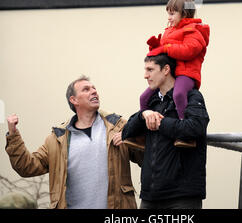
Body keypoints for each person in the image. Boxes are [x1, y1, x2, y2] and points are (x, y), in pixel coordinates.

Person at [5, 75, 143, 209]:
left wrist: (138, 129)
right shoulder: (57, 140)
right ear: (74, 100)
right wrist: (13, 135)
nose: (94, 91)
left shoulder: (118, 126)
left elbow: (146, 157)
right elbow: (27, 167)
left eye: (94, 88)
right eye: (86, 89)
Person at [122, 53, 209, 209]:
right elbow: (126, 133)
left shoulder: (192, 96)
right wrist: (143, 115)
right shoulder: (151, 102)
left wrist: (160, 122)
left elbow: (195, 127)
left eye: (150, 69)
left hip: (182, 196)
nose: (145, 75)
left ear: (166, 69)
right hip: (150, 195)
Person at [139, 0, 209, 146]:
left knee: (178, 94)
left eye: (172, 13)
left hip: (187, 73)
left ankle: (185, 134)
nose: (169, 18)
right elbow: (165, 56)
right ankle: (142, 134)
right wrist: (155, 47)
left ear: (184, 13)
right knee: (144, 98)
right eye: (168, 13)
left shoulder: (194, 31)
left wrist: (165, 48)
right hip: (174, 73)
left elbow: (189, 50)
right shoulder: (169, 31)